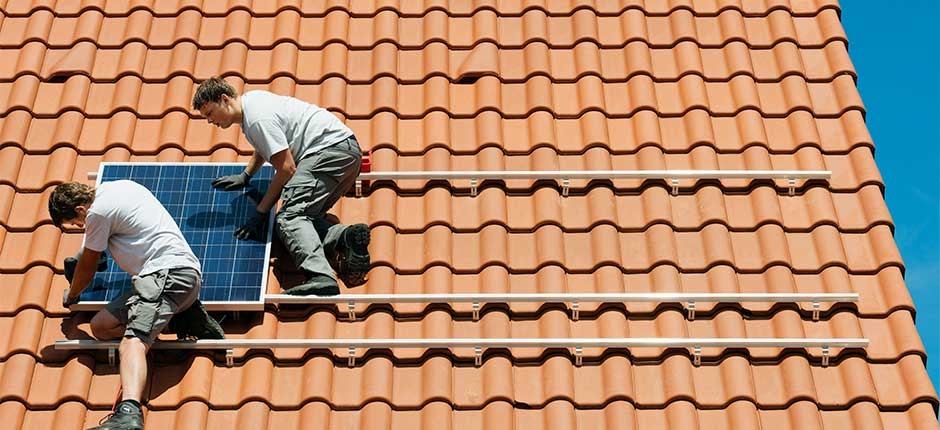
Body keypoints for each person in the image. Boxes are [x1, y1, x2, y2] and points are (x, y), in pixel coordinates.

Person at [49, 180, 224, 430]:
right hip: (166, 279)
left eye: (78, 224)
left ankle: (129, 413)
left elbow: (88, 265)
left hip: (167, 275)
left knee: (132, 342)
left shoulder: (97, 212)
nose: (82, 228)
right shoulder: (119, 187)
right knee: (101, 326)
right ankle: (184, 319)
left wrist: (72, 293)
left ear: (79, 209)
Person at [192, 77, 371, 296]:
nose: (210, 121)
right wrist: (246, 175)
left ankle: (320, 276)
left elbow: (286, 168)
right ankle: (345, 236)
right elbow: (266, 144)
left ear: (224, 99)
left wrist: (260, 212)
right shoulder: (253, 103)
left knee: (289, 218)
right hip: (347, 153)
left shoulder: (257, 119)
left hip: (326, 152)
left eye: (210, 113)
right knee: (305, 219)